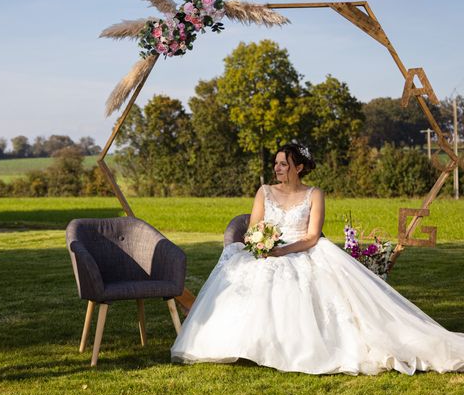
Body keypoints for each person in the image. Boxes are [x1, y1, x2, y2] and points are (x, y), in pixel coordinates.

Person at [171, 143, 464, 374]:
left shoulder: (314, 193)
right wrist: (262, 246)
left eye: (283, 164)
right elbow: (252, 231)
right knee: (246, 277)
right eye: (275, 163)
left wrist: (283, 250)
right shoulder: (264, 191)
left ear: (298, 167)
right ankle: (243, 345)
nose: (277, 168)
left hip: (303, 250)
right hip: (267, 250)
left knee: (297, 279)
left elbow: (313, 236)